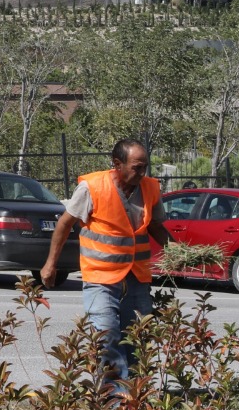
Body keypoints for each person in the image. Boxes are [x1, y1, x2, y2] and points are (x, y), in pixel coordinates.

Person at [41, 140, 170, 387]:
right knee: (107, 334)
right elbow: (64, 224)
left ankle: (135, 393)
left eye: (145, 167)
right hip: (100, 276)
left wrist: (179, 251)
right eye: (137, 167)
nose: (142, 173)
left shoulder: (151, 188)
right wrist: (50, 264)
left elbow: (155, 225)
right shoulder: (92, 187)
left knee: (137, 337)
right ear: (117, 164)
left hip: (136, 276)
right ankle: (114, 398)